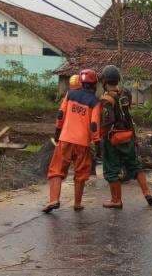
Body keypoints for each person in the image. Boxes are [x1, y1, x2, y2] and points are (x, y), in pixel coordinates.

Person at [43, 69, 101, 213]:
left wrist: (57, 133)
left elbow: (60, 114)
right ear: (94, 84)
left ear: (81, 83)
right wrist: (98, 143)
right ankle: (77, 203)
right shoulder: (95, 102)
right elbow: (94, 125)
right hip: (83, 143)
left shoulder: (70, 94)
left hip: (65, 139)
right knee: (81, 174)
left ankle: (54, 200)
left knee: (56, 170)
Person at [99, 65, 152, 209]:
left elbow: (107, 123)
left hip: (114, 139)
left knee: (111, 169)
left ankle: (116, 200)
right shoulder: (126, 94)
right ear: (117, 79)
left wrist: (102, 140)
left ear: (104, 81)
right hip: (129, 135)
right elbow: (127, 115)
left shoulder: (106, 99)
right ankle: (147, 193)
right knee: (135, 166)